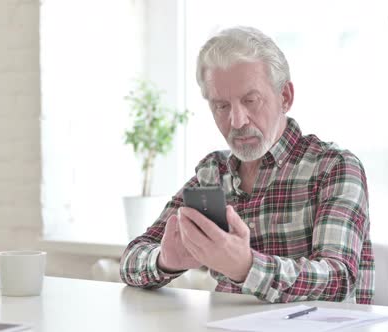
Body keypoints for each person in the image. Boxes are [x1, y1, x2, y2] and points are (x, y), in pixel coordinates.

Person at [121, 26, 374, 304]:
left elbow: (338, 280)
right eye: (221, 106)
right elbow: (132, 258)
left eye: (250, 100)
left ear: (285, 97)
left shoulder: (334, 167)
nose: (237, 121)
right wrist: (165, 260)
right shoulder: (212, 173)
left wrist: (245, 266)